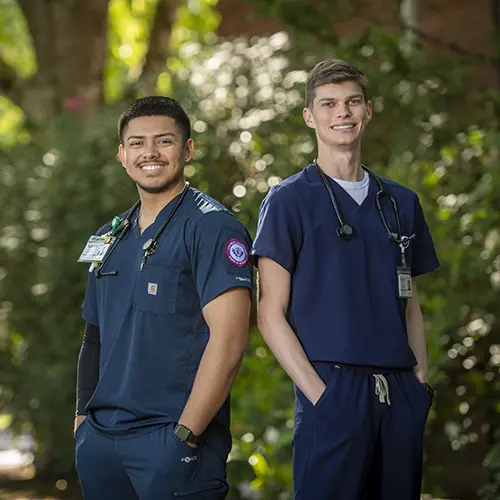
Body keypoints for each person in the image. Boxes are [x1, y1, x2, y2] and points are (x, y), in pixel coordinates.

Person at [251, 59, 439, 500]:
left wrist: (418, 380)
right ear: (309, 117)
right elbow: (269, 313)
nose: (343, 113)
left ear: (368, 110)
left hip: (398, 395)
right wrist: (322, 396)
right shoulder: (287, 201)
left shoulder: (400, 203)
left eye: (353, 101)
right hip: (334, 392)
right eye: (329, 104)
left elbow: (408, 300)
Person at [74, 96, 253, 500]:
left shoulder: (213, 228)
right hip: (101, 442)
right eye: (137, 143)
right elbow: (93, 337)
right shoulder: (109, 236)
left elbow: (229, 340)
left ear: (187, 149)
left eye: (164, 141)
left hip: (171, 443)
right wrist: (82, 417)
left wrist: (186, 433)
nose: (149, 153)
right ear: (122, 155)